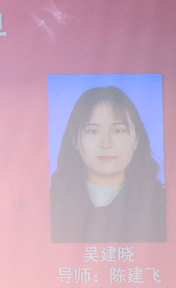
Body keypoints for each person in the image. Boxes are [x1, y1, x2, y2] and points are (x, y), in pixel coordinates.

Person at [49, 85, 166, 243]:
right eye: (92, 131)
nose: (106, 143)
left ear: (136, 139)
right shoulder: (50, 203)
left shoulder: (161, 204)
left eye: (118, 131)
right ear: (75, 140)